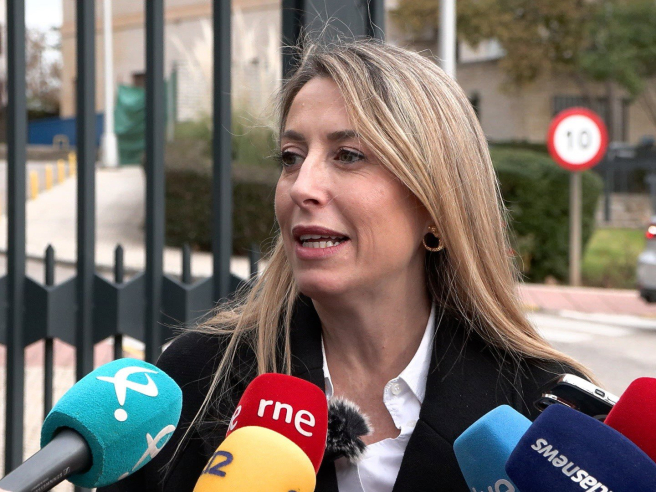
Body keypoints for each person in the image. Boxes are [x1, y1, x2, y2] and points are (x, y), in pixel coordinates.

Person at [100, 38, 594, 492]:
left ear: (435, 204)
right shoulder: (197, 379)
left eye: (349, 155)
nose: (302, 186)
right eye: (291, 157)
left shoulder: (546, 415)